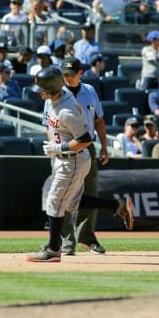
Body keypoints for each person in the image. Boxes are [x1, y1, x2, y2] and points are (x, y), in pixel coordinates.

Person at [26, 66, 92, 262]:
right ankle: (116, 206)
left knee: (54, 202)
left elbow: (86, 138)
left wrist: (59, 148)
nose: (39, 93)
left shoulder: (66, 110)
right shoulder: (58, 99)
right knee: (69, 203)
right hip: (65, 160)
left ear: (53, 90)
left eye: (43, 90)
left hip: (72, 159)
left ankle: (54, 249)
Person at [58, 57, 111, 255]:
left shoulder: (89, 91)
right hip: (65, 147)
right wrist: (57, 147)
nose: (68, 77)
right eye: (65, 74)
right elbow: (48, 125)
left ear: (80, 73)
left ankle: (86, 237)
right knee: (63, 194)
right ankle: (65, 240)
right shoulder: (55, 92)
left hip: (88, 147)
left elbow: (99, 121)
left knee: (89, 193)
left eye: (72, 74)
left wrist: (104, 147)